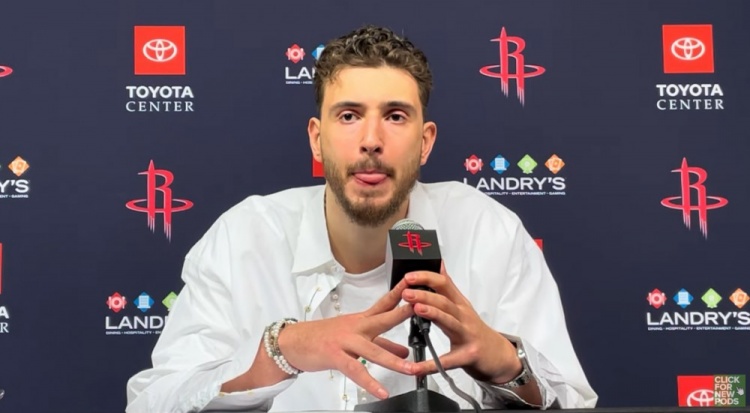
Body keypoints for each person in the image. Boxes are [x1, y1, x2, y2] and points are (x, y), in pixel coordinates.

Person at [125, 24, 597, 413]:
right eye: (349, 116)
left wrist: (507, 365)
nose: (371, 140)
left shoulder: (488, 232)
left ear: (426, 142)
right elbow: (152, 403)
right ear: (317, 139)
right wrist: (280, 352)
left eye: (395, 116)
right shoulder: (244, 237)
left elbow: (574, 401)